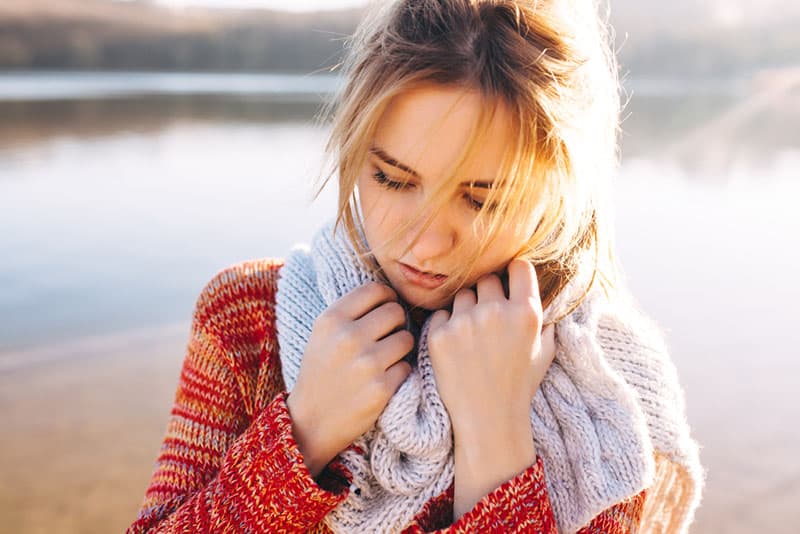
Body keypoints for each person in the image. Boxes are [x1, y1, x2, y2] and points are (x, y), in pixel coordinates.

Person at [126, 0, 704, 532]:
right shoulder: (248, 319)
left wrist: (495, 438)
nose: (424, 245)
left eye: (483, 200)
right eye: (393, 179)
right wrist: (302, 434)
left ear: (560, 193)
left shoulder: (601, 394)